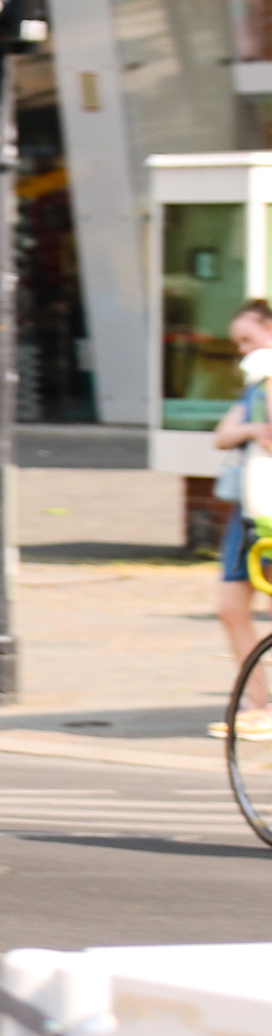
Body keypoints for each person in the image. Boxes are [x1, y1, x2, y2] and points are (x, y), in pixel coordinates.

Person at [210, 299, 272, 739]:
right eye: (238, 344)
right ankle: (258, 702)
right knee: (231, 608)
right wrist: (251, 429)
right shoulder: (255, 386)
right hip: (249, 510)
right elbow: (223, 435)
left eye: (249, 340)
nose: (242, 351)